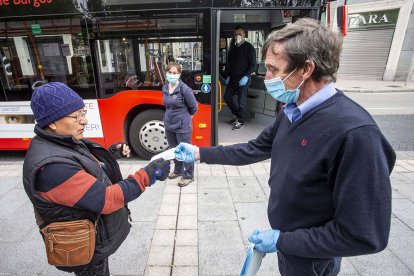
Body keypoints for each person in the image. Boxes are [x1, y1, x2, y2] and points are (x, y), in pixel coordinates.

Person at [174, 18, 396, 275]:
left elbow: (364, 234)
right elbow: (255, 147)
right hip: (289, 244)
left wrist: (281, 240)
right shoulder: (292, 111)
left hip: (312, 256)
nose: (266, 78)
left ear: (306, 69)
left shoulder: (356, 134)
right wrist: (200, 153)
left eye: (273, 69)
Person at [22, 82, 170, 275]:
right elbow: (107, 199)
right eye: (77, 116)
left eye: (83, 113)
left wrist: (109, 155)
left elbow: (81, 170)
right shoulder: (51, 168)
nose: (84, 121)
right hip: (84, 248)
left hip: (92, 233)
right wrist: (148, 174)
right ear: (52, 121)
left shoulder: (60, 141)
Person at [163, 62, 198, 187]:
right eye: (170, 72)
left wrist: (188, 116)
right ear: (166, 73)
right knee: (175, 149)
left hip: (183, 125)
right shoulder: (165, 87)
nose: (172, 75)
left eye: (175, 73)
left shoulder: (184, 89)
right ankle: (178, 170)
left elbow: (194, 107)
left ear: (179, 74)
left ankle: (188, 175)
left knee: (186, 150)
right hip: (169, 124)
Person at [224, 26, 256, 130]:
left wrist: (246, 76)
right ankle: (237, 115)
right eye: (235, 34)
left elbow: (253, 65)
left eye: (240, 34)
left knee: (241, 101)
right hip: (232, 78)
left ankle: (241, 121)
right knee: (227, 97)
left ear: (244, 35)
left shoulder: (249, 47)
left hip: (243, 79)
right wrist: (228, 75)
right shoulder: (233, 48)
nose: (237, 36)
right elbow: (229, 63)